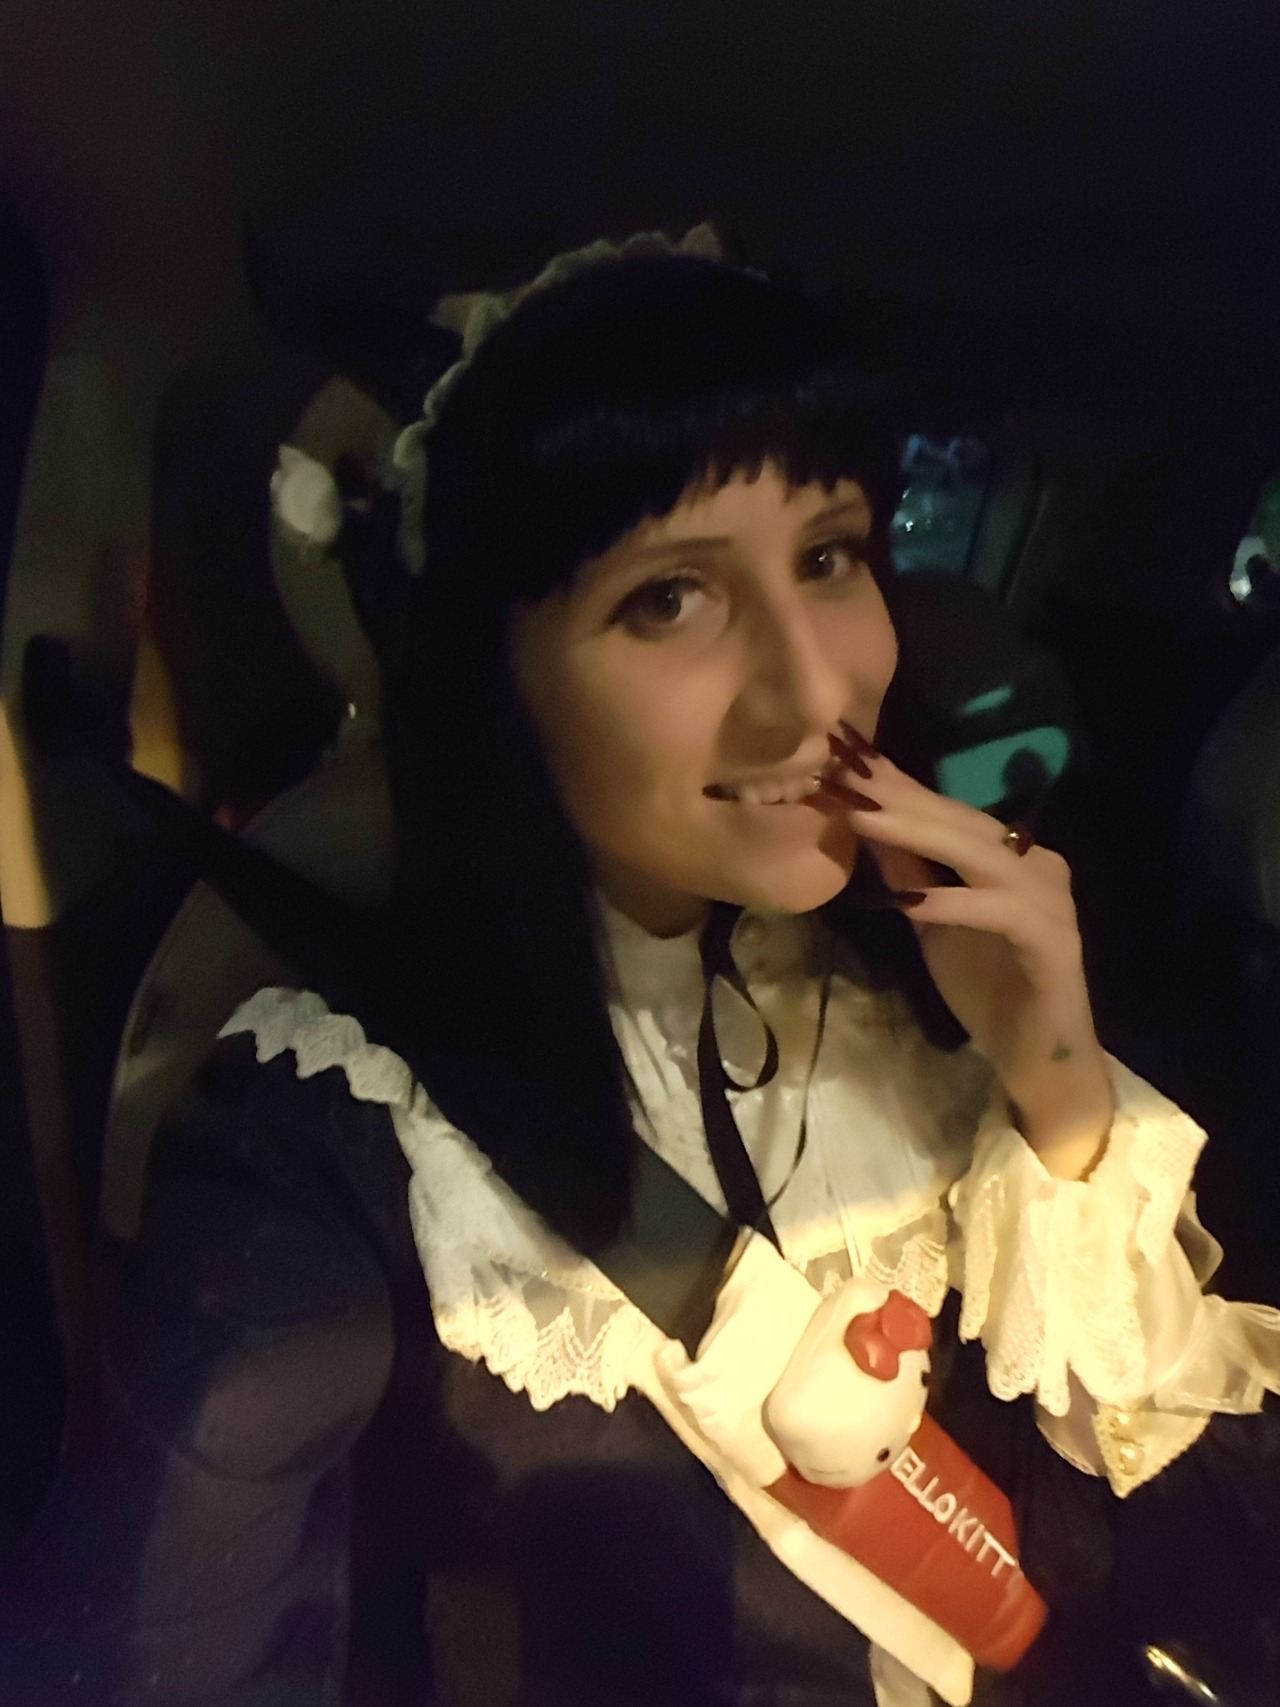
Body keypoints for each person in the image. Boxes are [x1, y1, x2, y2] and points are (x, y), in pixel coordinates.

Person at [3, 232, 1280, 1707]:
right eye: (669, 598)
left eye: (828, 554)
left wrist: (1060, 1100)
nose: (815, 688)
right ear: (500, 683)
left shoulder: (928, 1001)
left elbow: (1201, 1578)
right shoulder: (333, 1148)